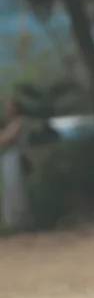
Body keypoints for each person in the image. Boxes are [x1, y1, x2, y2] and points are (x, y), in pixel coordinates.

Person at [0, 97, 30, 232]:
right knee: (11, 189)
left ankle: (20, 221)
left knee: (16, 188)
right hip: (10, 158)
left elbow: (6, 139)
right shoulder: (12, 123)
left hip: (16, 157)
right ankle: (13, 222)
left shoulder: (19, 122)